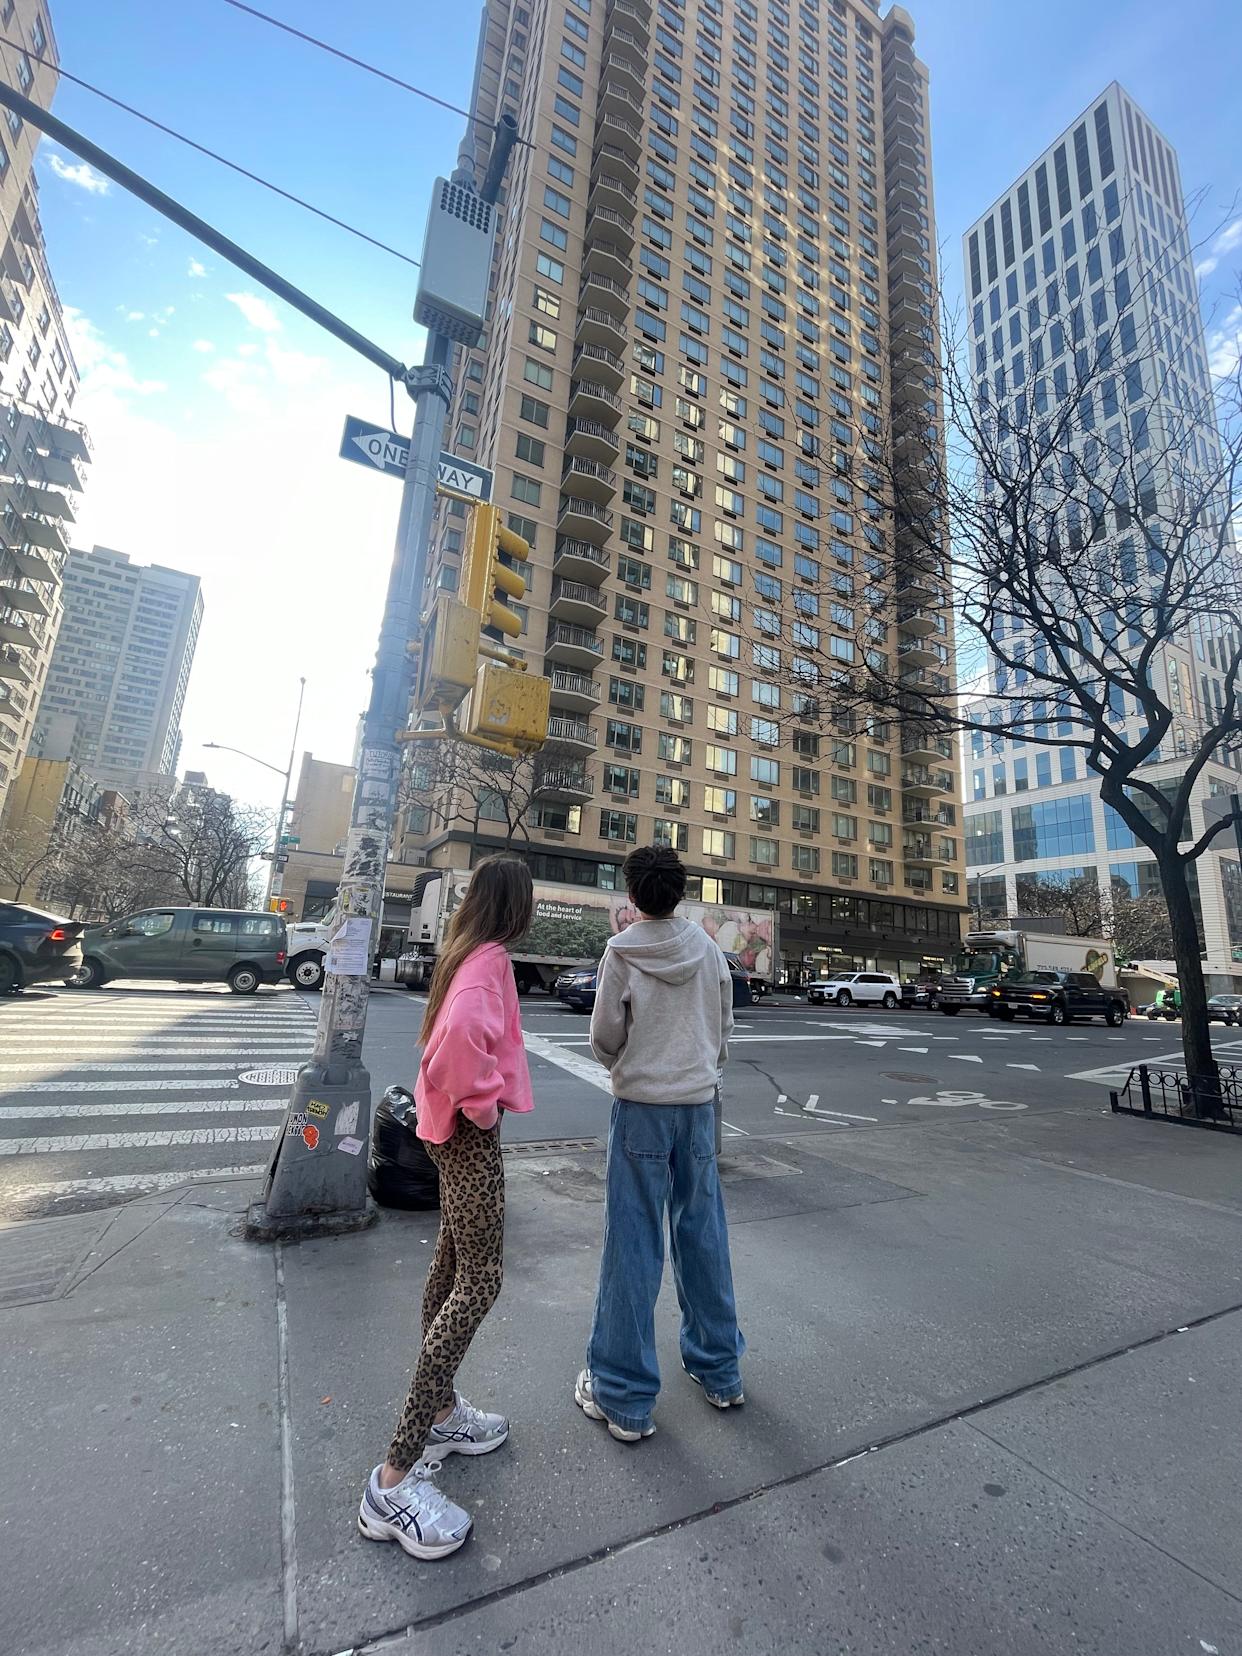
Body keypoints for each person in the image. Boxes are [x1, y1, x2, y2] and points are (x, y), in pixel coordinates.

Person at [359, 855, 534, 1559]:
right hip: (466, 1136)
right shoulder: (488, 960)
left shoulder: (464, 951)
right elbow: (456, 1046)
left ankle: (441, 1412)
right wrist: (485, 1108)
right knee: (480, 1280)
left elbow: (442, 1040)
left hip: (444, 1132)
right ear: (514, 907)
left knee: (453, 1266)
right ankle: (393, 1478)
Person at [575, 844, 745, 1442]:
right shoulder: (708, 949)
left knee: (633, 1241)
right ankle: (720, 1370)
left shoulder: (620, 954)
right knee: (704, 1234)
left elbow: (604, 1038)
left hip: (641, 1108)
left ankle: (623, 1395)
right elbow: (723, 1026)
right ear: (681, 891)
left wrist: (632, 1061)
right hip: (698, 1108)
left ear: (632, 895)